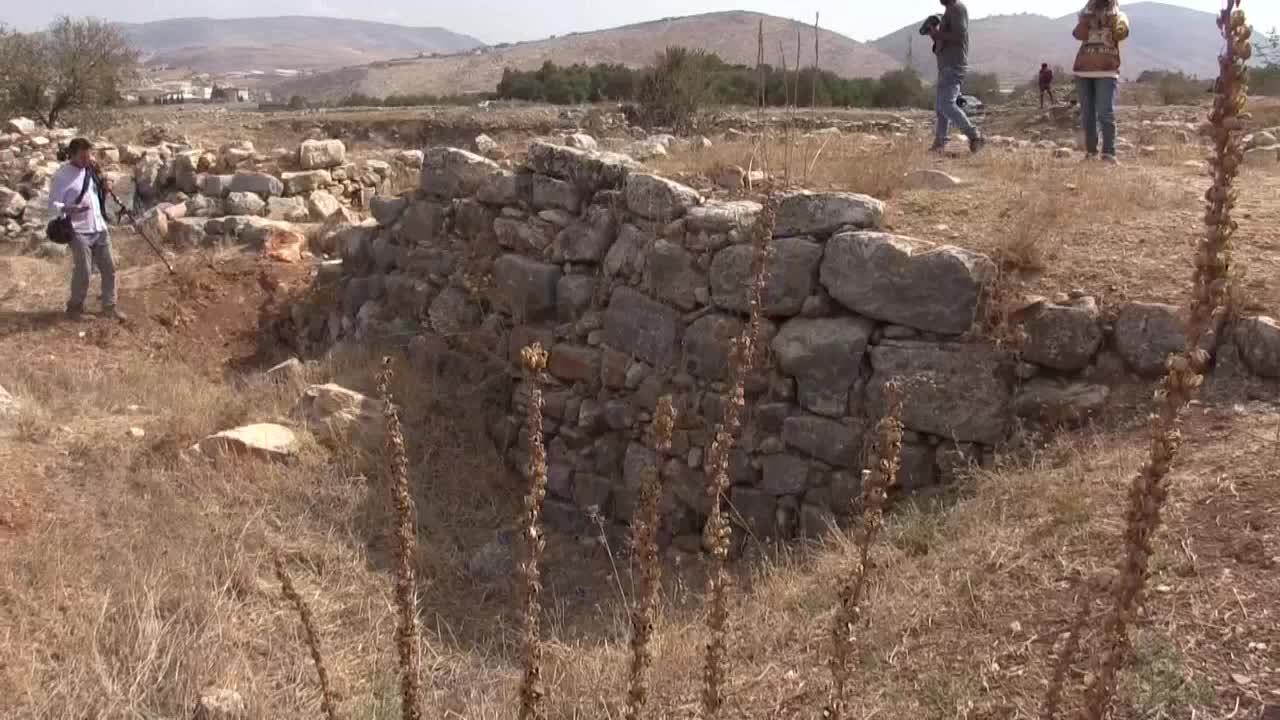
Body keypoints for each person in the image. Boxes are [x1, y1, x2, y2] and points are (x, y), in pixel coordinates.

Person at [48, 138, 125, 321]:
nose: (87, 159)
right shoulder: (61, 176)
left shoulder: (92, 168)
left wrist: (107, 184)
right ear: (72, 155)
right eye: (82, 156)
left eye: (89, 154)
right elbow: (52, 205)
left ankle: (109, 306)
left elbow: (101, 186)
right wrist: (67, 208)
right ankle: (75, 308)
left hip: (99, 226)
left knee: (109, 267)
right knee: (84, 270)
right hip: (77, 229)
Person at [1073, 0, 1130, 163]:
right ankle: (1091, 153)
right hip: (1083, 70)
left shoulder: (1120, 16)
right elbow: (1079, 35)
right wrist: (1086, 17)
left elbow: (1122, 32)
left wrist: (1113, 23)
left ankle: (1108, 154)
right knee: (1087, 114)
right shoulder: (1085, 15)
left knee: (1105, 112)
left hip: (1107, 69)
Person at [929, 0, 984, 154]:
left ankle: (975, 136)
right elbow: (945, 42)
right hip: (945, 65)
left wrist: (938, 34)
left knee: (947, 104)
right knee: (941, 108)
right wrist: (934, 36)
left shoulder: (957, 9)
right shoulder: (949, 11)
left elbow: (959, 36)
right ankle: (940, 142)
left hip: (953, 65)